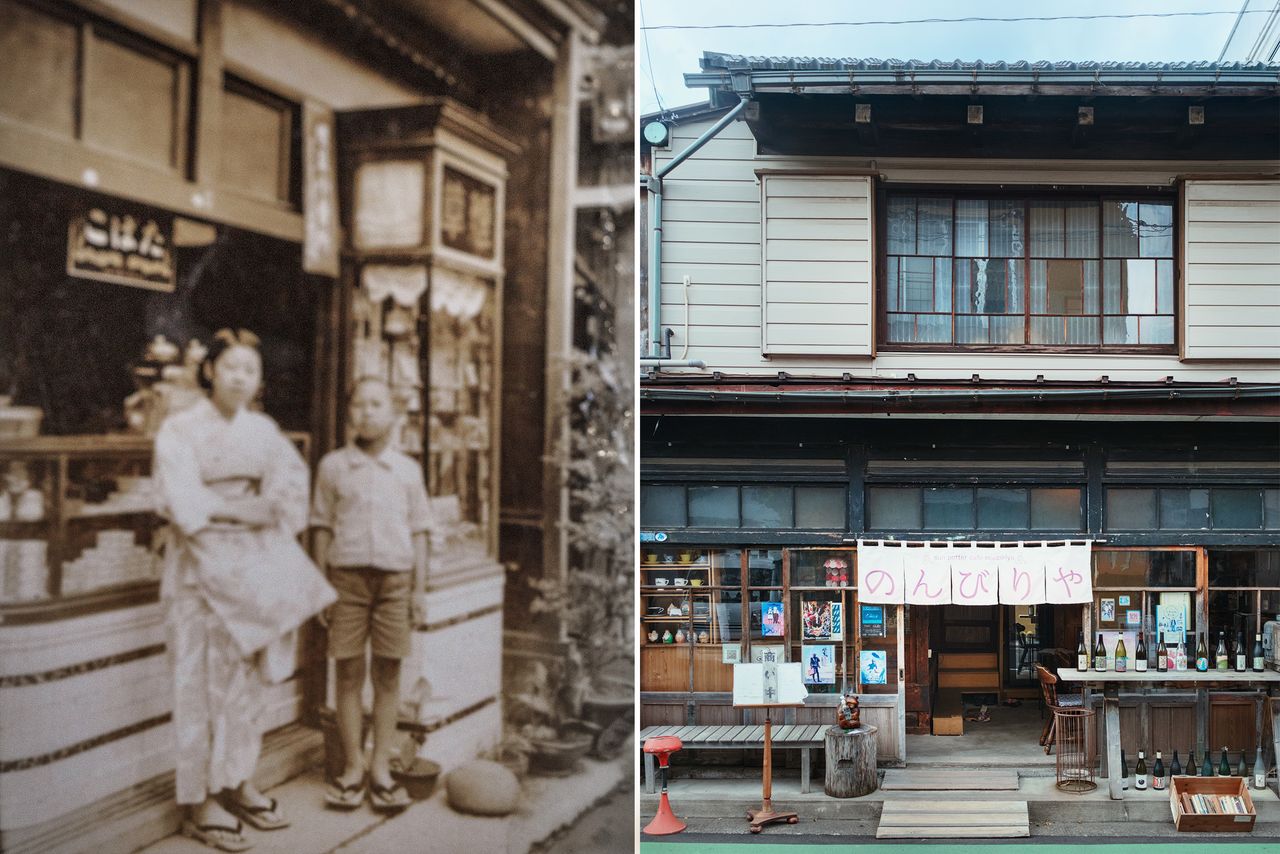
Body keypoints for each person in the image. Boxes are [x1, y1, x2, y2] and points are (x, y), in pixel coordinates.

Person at [154, 329, 335, 852]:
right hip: (196, 574)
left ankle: (235, 781)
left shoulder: (264, 431)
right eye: (231, 366)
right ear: (209, 370)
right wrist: (242, 508)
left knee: (244, 686)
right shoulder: (178, 429)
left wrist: (230, 506)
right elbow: (185, 506)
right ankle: (197, 799)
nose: (240, 377)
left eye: (250, 370)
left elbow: (287, 498)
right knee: (196, 686)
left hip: (252, 571)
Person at [312, 376, 430, 811]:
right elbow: (321, 525)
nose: (366, 412)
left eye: (376, 404)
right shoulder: (333, 467)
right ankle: (352, 767)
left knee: (387, 675)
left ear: (395, 415)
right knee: (346, 673)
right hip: (346, 581)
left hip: (395, 583)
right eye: (359, 404)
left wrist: (419, 590)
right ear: (349, 414)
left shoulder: (407, 470)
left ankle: (381, 766)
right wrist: (321, 585)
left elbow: (420, 532)